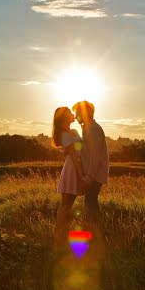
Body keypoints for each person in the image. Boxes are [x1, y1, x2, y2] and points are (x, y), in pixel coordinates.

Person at [71, 100, 109, 226]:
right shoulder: (88, 128)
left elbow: (95, 156)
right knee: (90, 201)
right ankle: (96, 229)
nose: (75, 116)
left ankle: (97, 229)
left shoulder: (94, 129)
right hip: (92, 173)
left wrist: (89, 177)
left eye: (77, 113)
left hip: (95, 174)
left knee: (90, 201)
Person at [52, 106, 85, 245]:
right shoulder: (65, 134)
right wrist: (81, 176)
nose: (73, 114)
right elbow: (73, 155)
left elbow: (81, 149)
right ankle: (59, 235)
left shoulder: (73, 131)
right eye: (70, 113)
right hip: (73, 169)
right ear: (65, 117)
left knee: (68, 205)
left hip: (75, 167)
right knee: (65, 204)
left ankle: (62, 234)